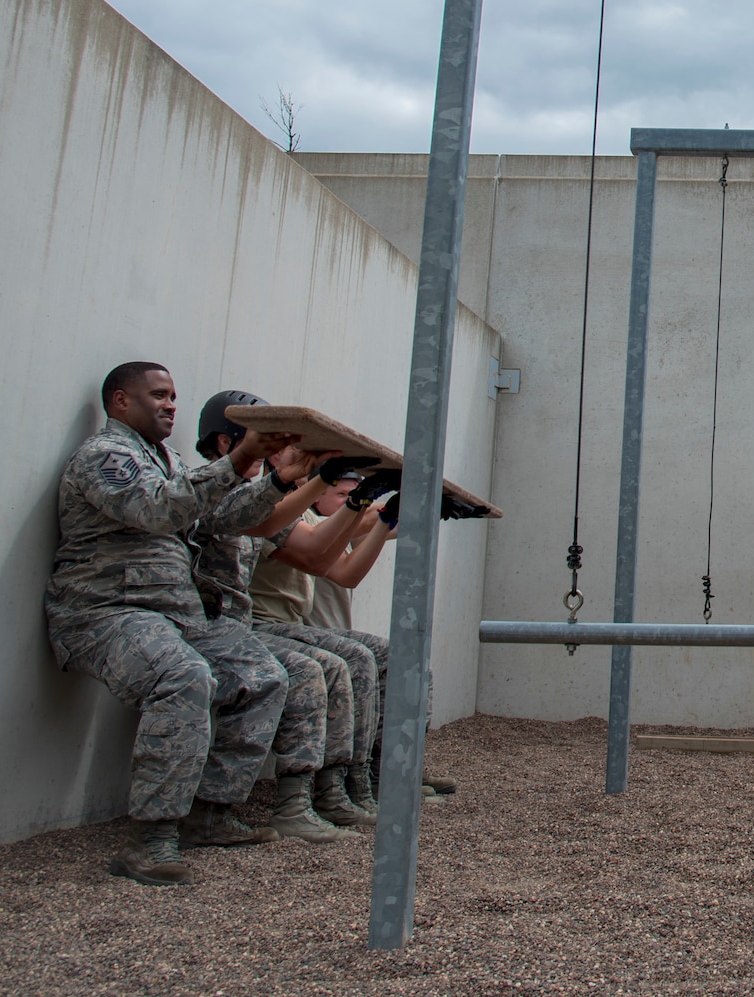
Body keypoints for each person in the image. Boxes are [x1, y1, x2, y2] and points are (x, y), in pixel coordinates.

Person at [45, 362, 296, 886]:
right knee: (183, 676)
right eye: (157, 395)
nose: (170, 405)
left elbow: (219, 516)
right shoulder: (103, 457)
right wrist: (243, 456)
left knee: (264, 676)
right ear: (119, 401)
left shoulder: (168, 461)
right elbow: (158, 511)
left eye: (174, 396)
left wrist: (280, 480)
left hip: (175, 616)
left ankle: (208, 813)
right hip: (106, 613)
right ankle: (152, 838)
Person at [192, 391, 376, 840]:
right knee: (315, 668)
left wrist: (363, 503)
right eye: (265, 442)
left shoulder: (259, 498)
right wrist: (328, 485)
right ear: (223, 442)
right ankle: (289, 802)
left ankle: (337, 788)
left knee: (350, 661)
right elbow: (277, 529)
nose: (274, 454)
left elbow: (314, 552)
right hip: (216, 625)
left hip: (241, 625)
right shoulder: (204, 489)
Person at [250, 480, 460, 801]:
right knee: (352, 661)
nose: (350, 501)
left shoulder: (306, 519)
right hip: (274, 629)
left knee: (395, 658)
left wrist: (412, 514)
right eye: (340, 494)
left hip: (298, 630)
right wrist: (370, 507)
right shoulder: (291, 516)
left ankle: (391, 767)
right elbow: (345, 540)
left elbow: (354, 547)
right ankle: (338, 787)